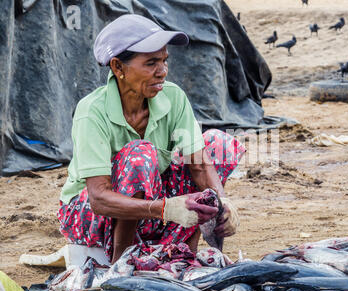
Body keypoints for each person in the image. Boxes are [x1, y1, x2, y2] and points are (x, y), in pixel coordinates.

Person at [57, 14, 245, 264]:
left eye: (165, 61)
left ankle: (183, 253)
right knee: (139, 155)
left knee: (218, 145)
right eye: (151, 63)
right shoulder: (92, 111)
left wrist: (221, 202)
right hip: (91, 215)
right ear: (118, 67)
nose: (162, 71)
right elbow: (99, 197)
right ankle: (121, 261)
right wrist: (166, 208)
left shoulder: (173, 97)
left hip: (149, 211)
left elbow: (199, 164)